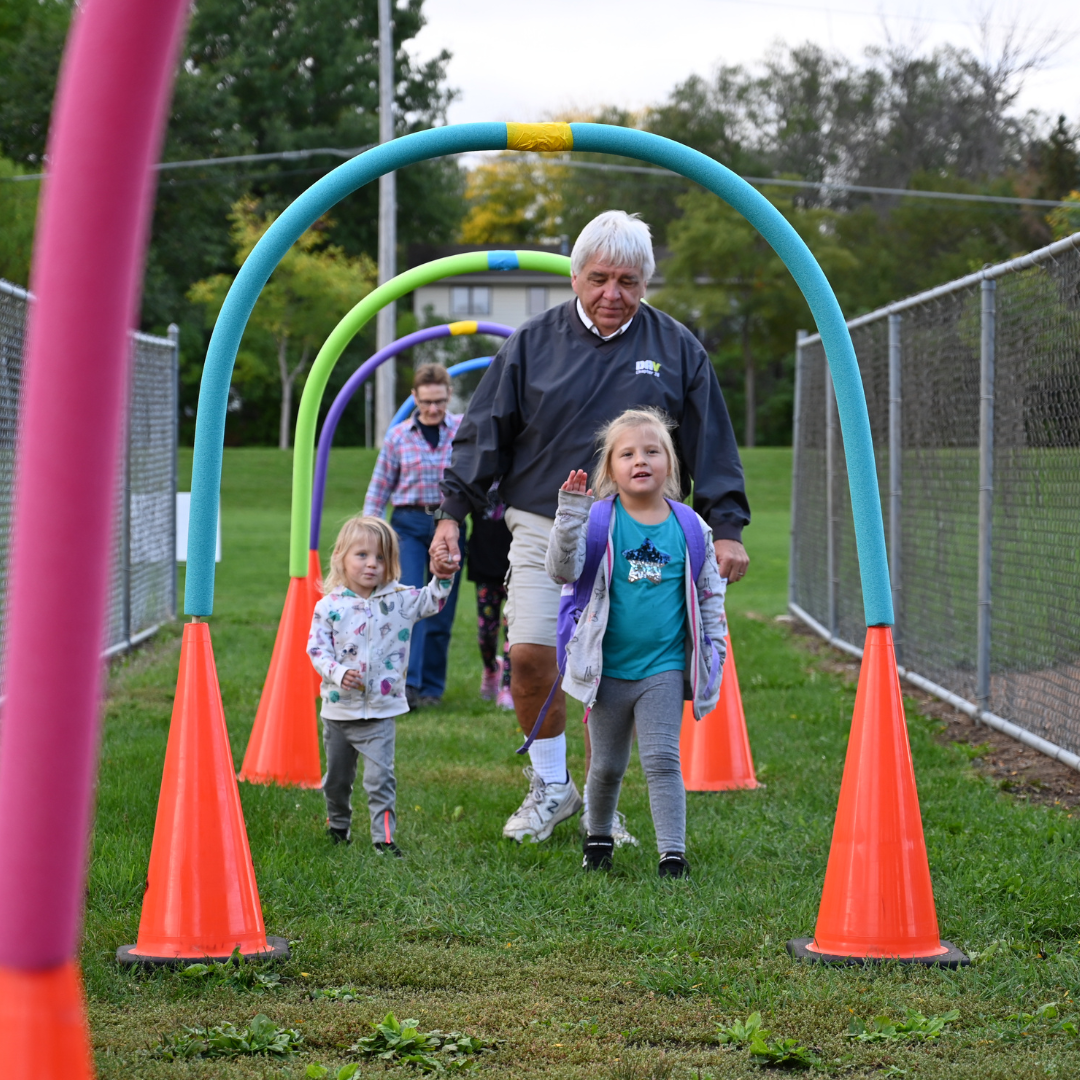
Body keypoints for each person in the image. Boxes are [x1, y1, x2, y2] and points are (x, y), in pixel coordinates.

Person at [430, 210, 750, 844]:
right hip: (543, 522)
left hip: (639, 536)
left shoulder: (677, 347)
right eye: (599, 278)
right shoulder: (532, 343)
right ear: (575, 276)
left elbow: (712, 441)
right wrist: (450, 515)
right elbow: (483, 430)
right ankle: (552, 787)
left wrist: (727, 526)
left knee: (622, 671)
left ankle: (606, 801)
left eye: (628, 281)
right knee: (527, 657)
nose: (612, 294)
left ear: (645, 283)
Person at [546, 409, 727, 878]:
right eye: (627, 454)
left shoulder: (690, 527)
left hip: (662, 668)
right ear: (611, 469)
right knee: (606, 766)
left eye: (652, 451)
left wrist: (713, 654)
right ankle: (598, 838)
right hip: (605, 668)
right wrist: (569, 516)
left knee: (663, 760)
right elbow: (561, 571)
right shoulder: (598, 521)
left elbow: (710, 598)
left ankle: (672, 855)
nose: (640, 460)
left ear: (670, 464)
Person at [307, 514, 455, 853]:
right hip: (338, 712)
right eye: (362, 555)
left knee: (380, 780)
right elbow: (316, 649)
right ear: (341, 557)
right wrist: (338, 673)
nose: (372, 564)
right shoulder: (329, 607)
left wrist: (442, 575)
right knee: (336, 782)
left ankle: (383, 839)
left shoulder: (400, 600)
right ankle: (338, 826)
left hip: (380, 713)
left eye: (381, 557)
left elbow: (433, 599)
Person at [364, 363, 464, 709]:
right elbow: (379, 488)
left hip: (448, 522)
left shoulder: (462, 430)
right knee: (406, 603)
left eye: (439, 401)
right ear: (414, 398)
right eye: (426, 402)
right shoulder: (398, 436)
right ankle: (405, 684)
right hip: (406, 524)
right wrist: (368, 534)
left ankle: (432, 688)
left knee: (441, 607)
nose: (433, 409)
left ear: (449, 395)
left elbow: (477, 473)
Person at [468, 486, 514, 709]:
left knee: (513, 630)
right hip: (485, 563)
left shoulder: (521, 470)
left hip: (516, 564)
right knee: (486, 632)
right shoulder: (480, 472)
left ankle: (508, 686)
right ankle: (491, 669)